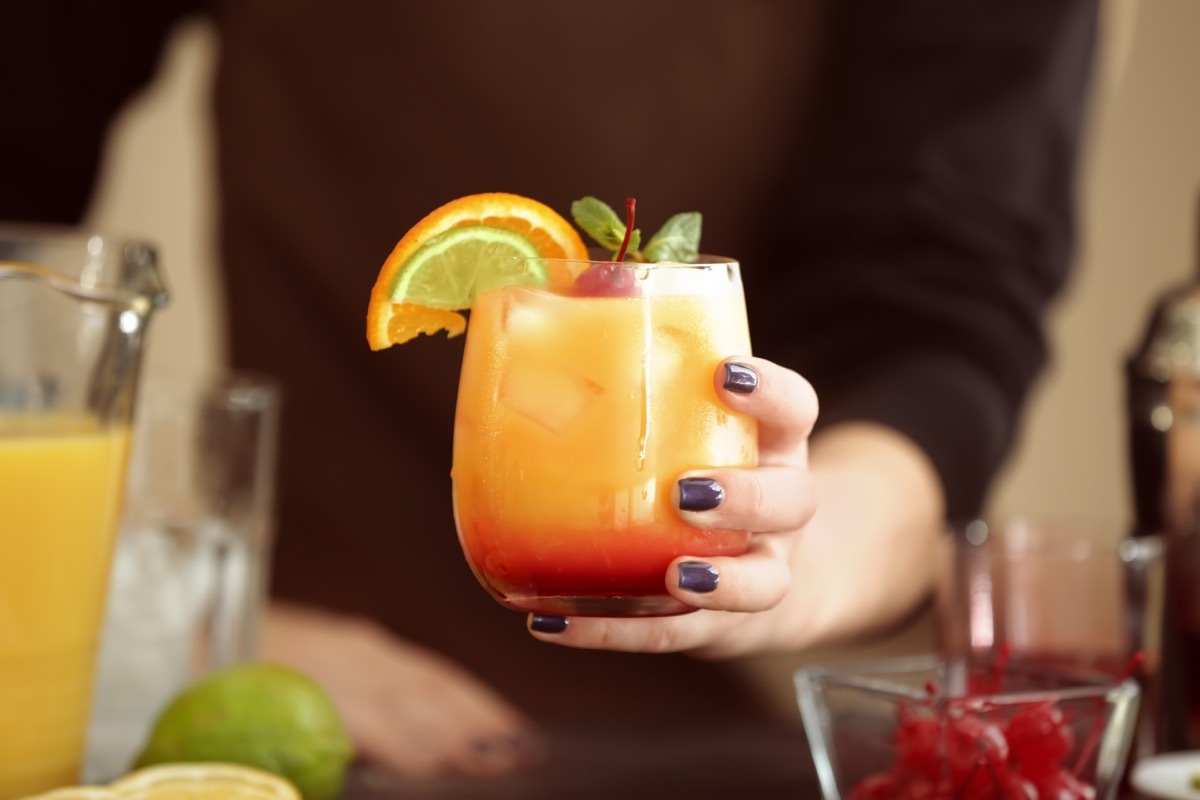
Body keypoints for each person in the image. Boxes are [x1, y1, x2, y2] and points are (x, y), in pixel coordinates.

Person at [2, 0, 1100, 779]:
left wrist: (792, 557)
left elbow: (940, 309)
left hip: (735, 732)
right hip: (310, 702)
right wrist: (195, 631)